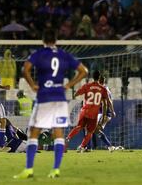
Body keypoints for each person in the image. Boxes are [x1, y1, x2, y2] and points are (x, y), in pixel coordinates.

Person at [13, 29, 88, 179]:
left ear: (43, 41)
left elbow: (25, 69)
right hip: (60, 99)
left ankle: (28, 169)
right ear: (56, 40)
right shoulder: (63, 54)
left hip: (44, 98)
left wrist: (33, 85)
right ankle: (55, 170)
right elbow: (84, 71)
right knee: (58, 133)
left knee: (33, 133)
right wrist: (69, 85)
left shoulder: (39, 54)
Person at [66, 71, 115, 153]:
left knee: (80, 127)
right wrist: (110, 112)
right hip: (94, 113)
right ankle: (84, 147)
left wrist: (75, 94)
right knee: (90, 131)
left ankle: (69, 138)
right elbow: (106, 103)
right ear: (99, 78)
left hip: (85, 111)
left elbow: (76, 93)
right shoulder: (103, 89)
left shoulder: (87, 86)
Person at [95, 75, 121, 152]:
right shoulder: (103, 89)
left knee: (95, 129)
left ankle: (110, 146)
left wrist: (112, 111)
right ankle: (110, 146)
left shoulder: (104, 89)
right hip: (101, 112)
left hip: (105, 113)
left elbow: (109, 101)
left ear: (99, 81)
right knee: (95, 129)